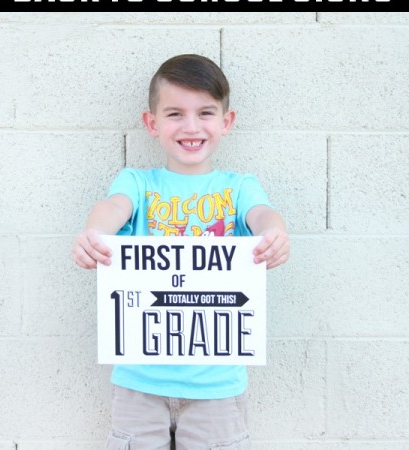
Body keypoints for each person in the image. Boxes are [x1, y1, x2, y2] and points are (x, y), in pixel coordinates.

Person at [72, 54, 290, 449]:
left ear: (227, 121)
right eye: (175, 114)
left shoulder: (238, 187)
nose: (191, 127)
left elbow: (262, 214)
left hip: (217, 385)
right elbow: (112, 208)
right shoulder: (138, 183)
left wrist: (274, 231)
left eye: (205, 112)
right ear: (152, 124)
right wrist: (95, 232)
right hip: (140, 382)